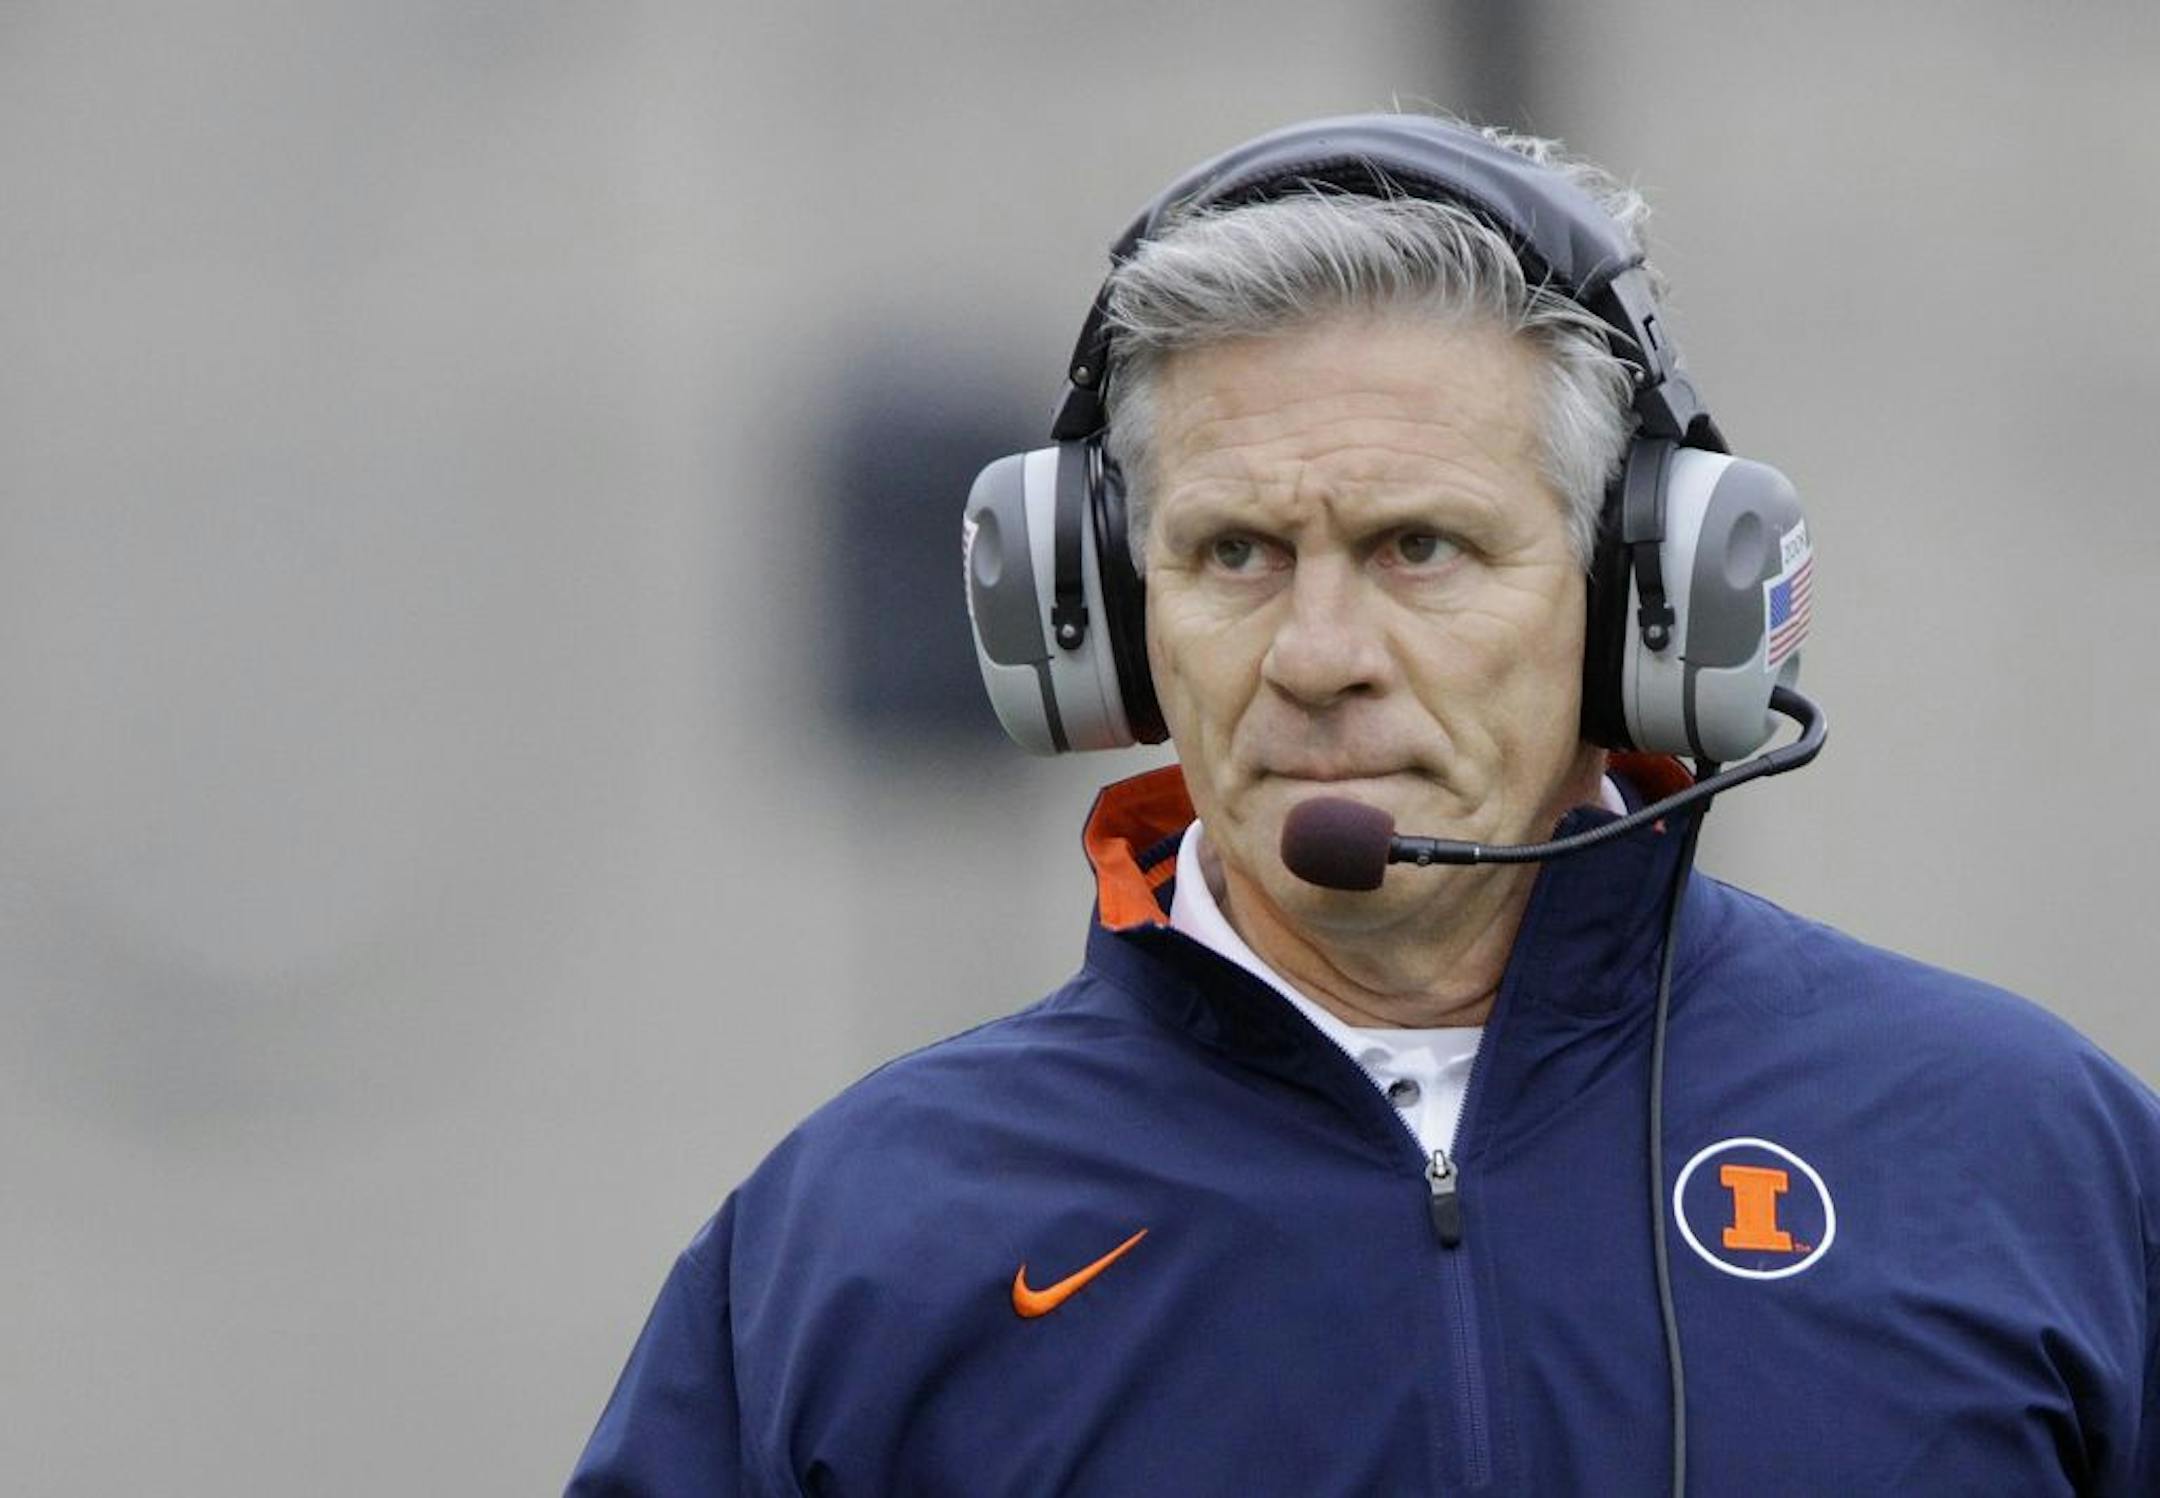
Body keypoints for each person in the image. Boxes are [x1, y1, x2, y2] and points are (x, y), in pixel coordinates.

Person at [568, 115, 2160, 1496]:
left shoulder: (2021, 1155)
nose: (1319, 659)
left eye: (1421, 548)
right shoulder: (856, 1246)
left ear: (1640, 605)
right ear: (1105, 618)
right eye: (1234, 554)